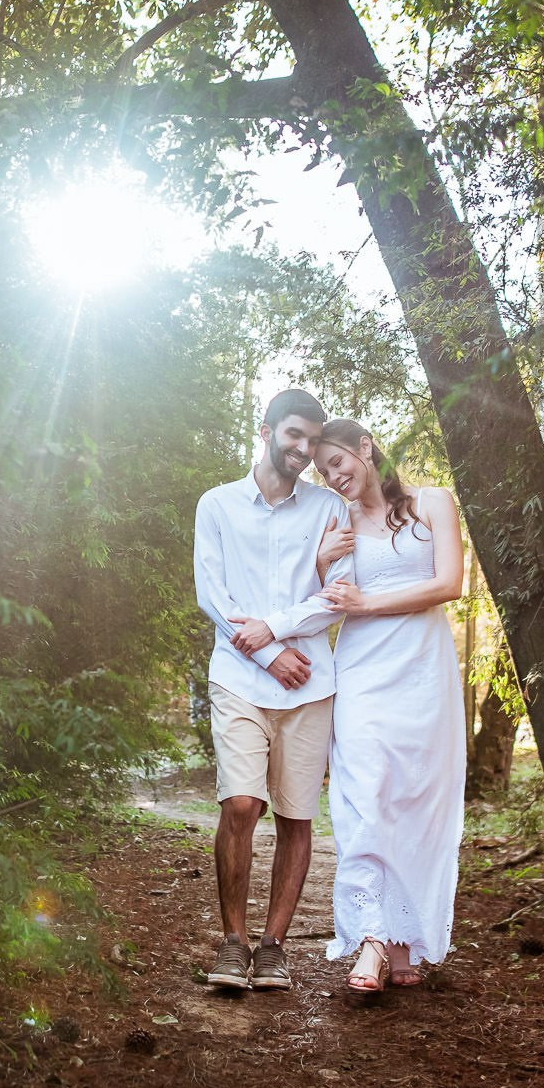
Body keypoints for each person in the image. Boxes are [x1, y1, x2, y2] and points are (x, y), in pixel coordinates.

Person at [192, 388, 350, 991]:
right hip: (238, 678)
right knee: (241, 805)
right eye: (295, 437)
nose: (305, 451)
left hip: (309, 685)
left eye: (313, 441)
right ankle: (232, 943)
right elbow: (213, 594)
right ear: (267, 431)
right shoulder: (218, 504)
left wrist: (280, 634)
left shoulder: (328, 510)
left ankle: (273, 947)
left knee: (296, 816)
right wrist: (266, 651)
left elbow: (335, 595)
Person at [308, 418, 467, 991]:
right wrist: (321, 561)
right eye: (324, 472)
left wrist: (368, 603)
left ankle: (403, 943)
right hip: (361, 675)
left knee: (412, 803)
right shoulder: (335, 522)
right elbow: (315, 600)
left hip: (422, 673)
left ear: (364, 449)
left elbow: (450, 583)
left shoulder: (433, 503)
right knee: (364, 795)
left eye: (337, 463)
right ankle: (371, 940)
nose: (333, 477)